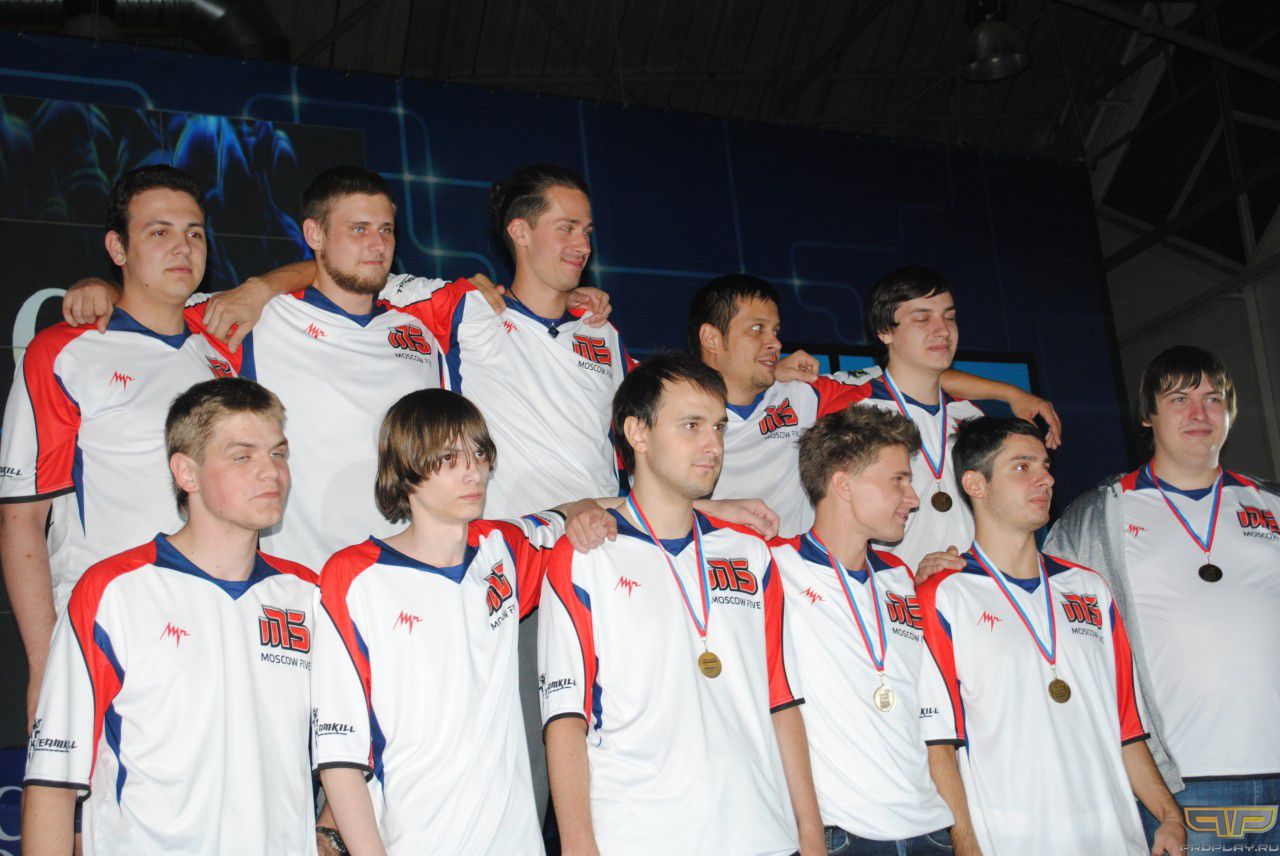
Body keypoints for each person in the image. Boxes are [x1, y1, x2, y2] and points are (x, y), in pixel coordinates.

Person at [312, 388, 622, 854]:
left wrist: (708, 510)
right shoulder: (353, 578)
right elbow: (340, 758)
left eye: (479, 453)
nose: (473, 470)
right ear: (406, 469)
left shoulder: (503, 547)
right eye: (449, 458)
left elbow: (580, 509)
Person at [539, 352, 825, 856]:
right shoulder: (585, 556)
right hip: (640, 839)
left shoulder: (750, 553)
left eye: (718, 427)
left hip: (763, 836)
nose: (713, 445)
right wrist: (579, 845)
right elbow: (565, 718)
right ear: (638, 433)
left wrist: (810, 835)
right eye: (692, 426)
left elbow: (782, 701)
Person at [22, 378, 318, 855]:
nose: (271, 472)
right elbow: (52, 782)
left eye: (278, 454)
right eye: (242, 456)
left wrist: (329, 831)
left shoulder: (308, 596)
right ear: (187, 473)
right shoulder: (113, 592)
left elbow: (358, 745)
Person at [0, 165, 231, 727]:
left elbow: (321, 271)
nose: (182, 246)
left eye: (194, 232)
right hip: (107, 631)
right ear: (117, 248)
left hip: (219, 629)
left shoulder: (226, 348)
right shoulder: (64, 352)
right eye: (159, 231)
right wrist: (44, 666)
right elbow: (22, 520)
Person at [1045, 345, 1280, 850]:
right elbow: (1038, 620)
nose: (1200, 413)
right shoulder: (1098, 515)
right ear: (1147, 415)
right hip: (1173, 787)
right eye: (1179, 399)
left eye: (1213, 399)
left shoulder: (1271, 505)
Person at [916, 417, 1185, 856]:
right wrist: (967, 846)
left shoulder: (1090, 589)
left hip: (1117, 840)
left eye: (1045, 465)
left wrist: (1169, 816)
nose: (1046, 479)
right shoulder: (944, 596)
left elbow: (1127, 729)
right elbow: (939, 747)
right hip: (1014, 842)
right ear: (975, 484)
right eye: (1022, 467)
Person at [689, 272, 1061, 538]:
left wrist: (1010, 394)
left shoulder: (804, 393)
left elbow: (916, 374)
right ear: (711, 337)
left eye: (775, 331)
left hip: (798, 576)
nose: (775, 343)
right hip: (712, 569)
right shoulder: (673, 407)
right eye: (757, 330)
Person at [771, 406, 953, 854]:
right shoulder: (773, 567)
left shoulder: (900, 578)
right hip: (843, 835)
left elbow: (929, 717)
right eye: (898, 480)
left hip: (931, 831)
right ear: (844, 485)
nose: (913, 498)